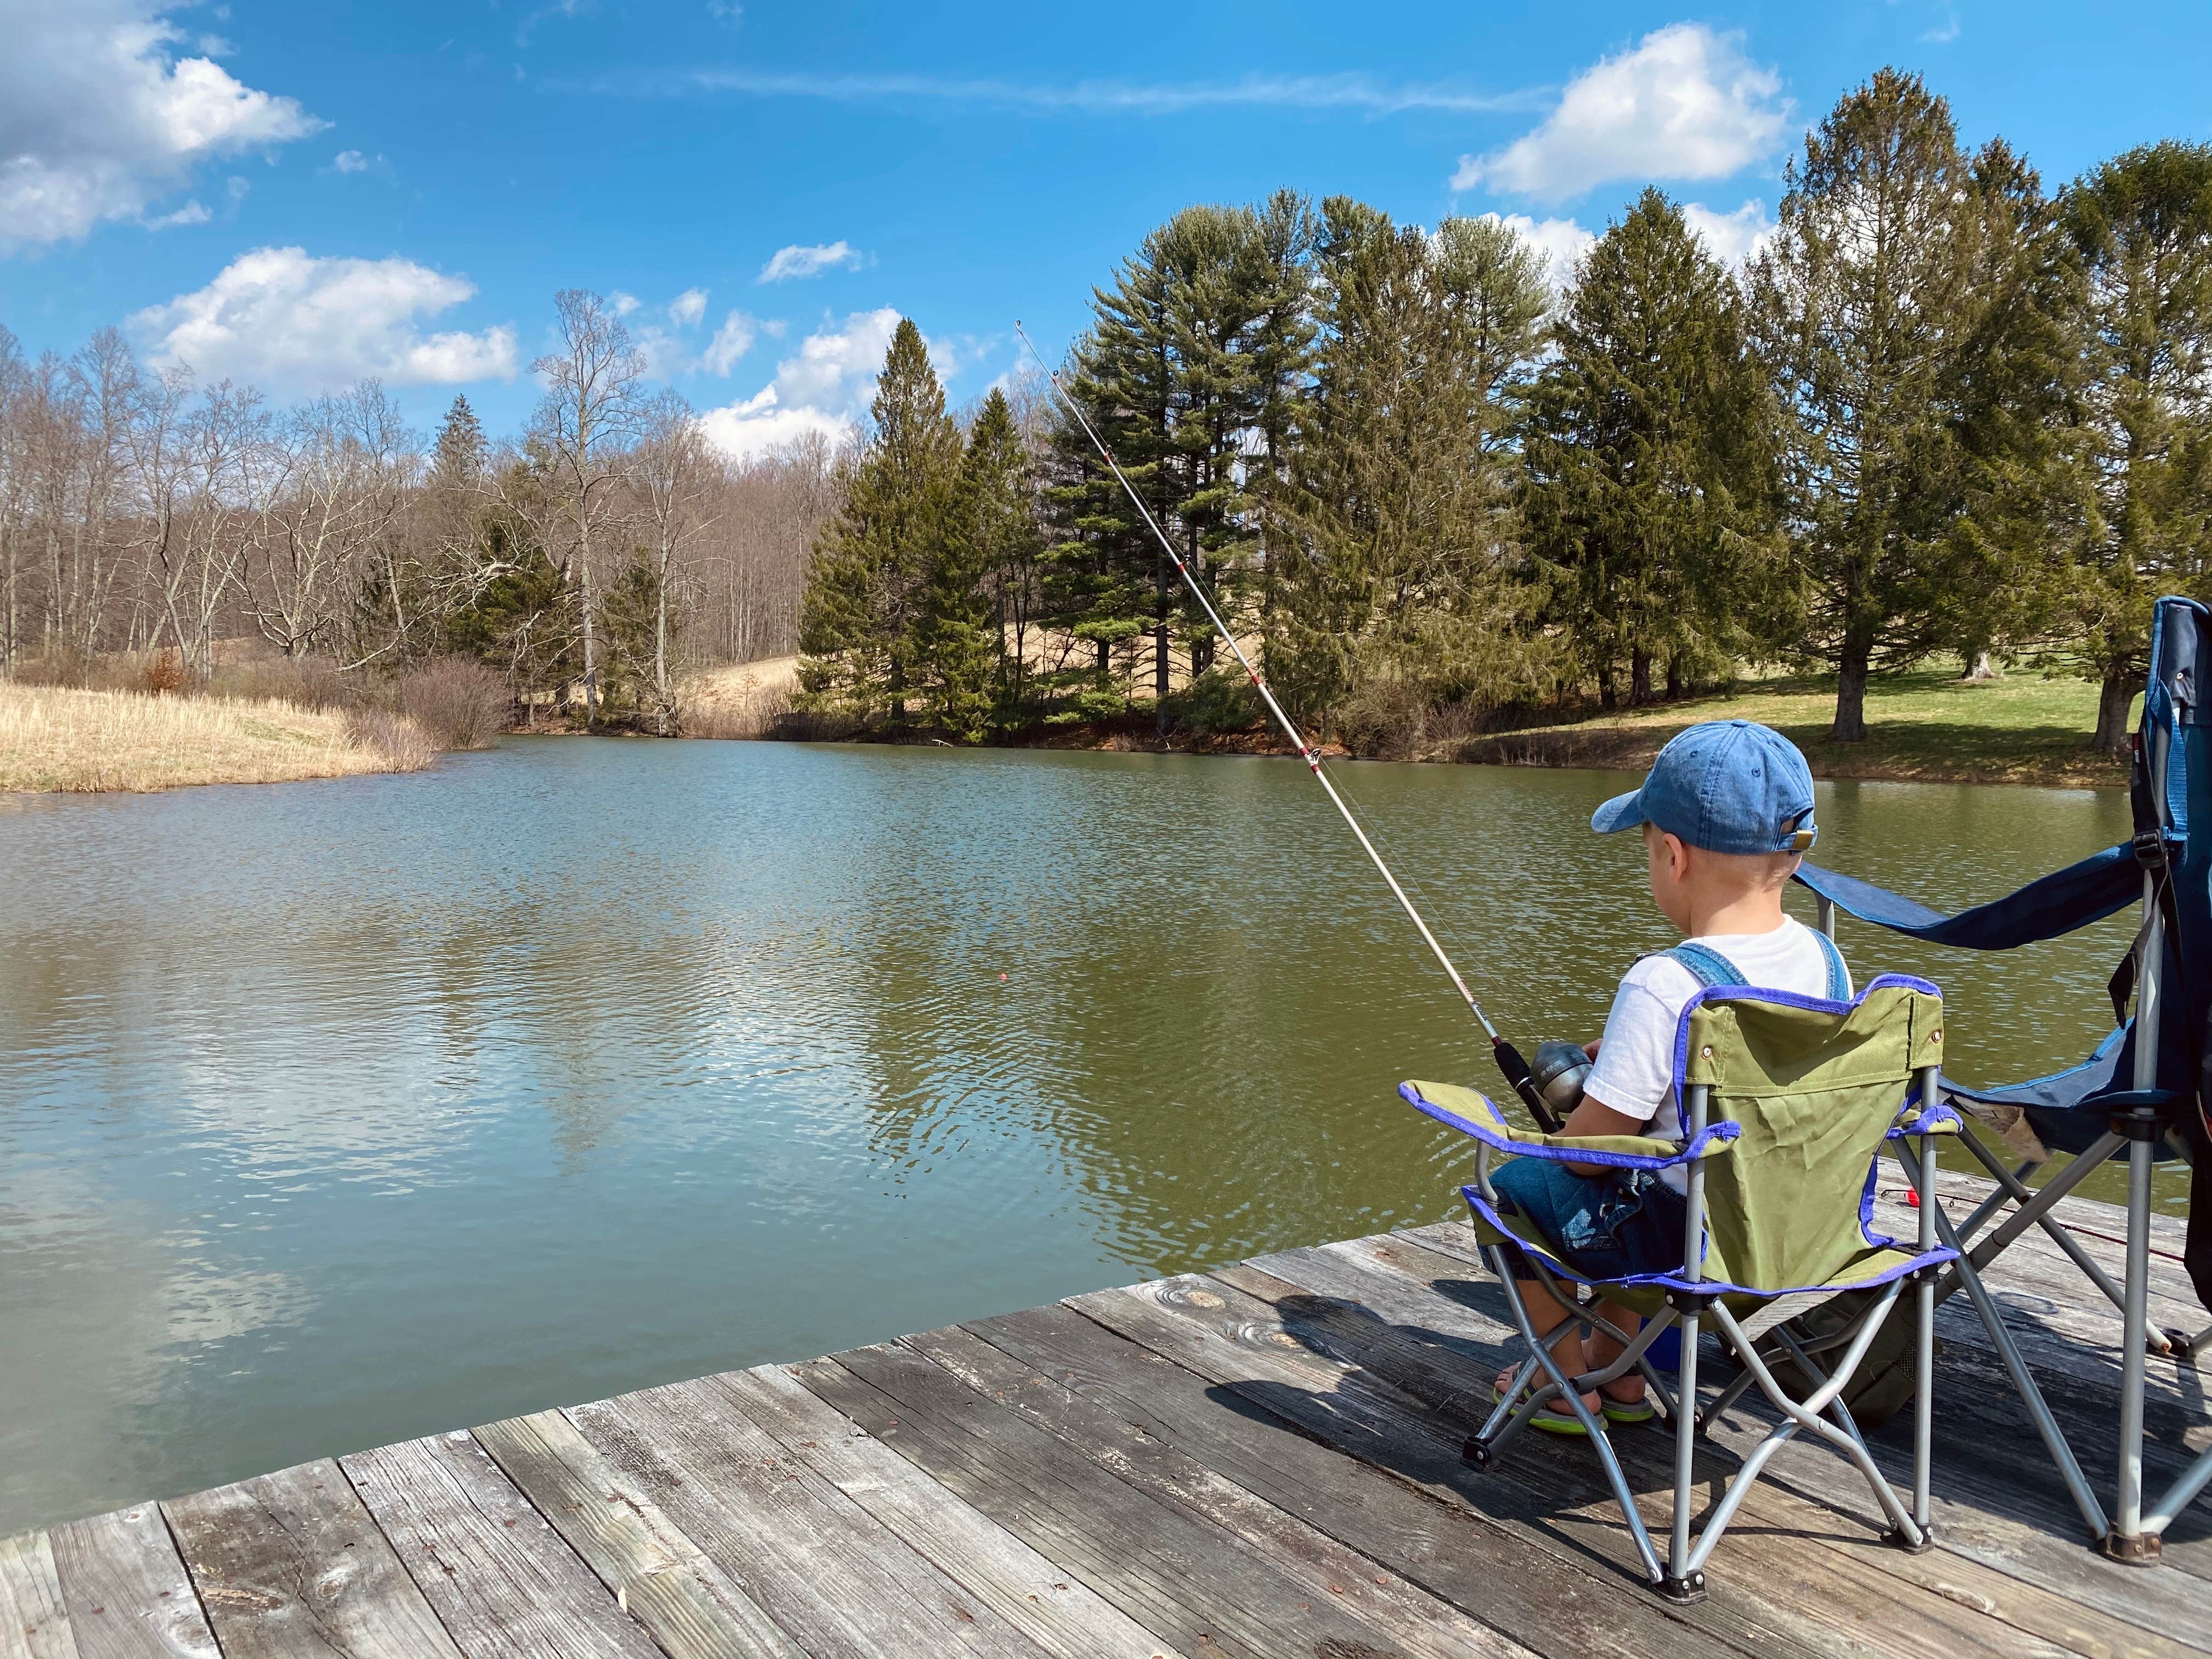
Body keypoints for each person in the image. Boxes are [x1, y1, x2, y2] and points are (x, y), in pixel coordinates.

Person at [1490, 719, 1848, 1434]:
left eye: (1649, 851)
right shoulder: (1824, 959)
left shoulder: (1665, 982)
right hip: (1804, 1236)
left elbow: (1592, 1157)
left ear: (1675, 857)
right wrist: (1633, 1061)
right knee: (1653, 1178)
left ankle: (1564, 1380)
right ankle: (1619, 1373)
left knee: (1517, 1193)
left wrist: (1562, 1129)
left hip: (1694, 1245)